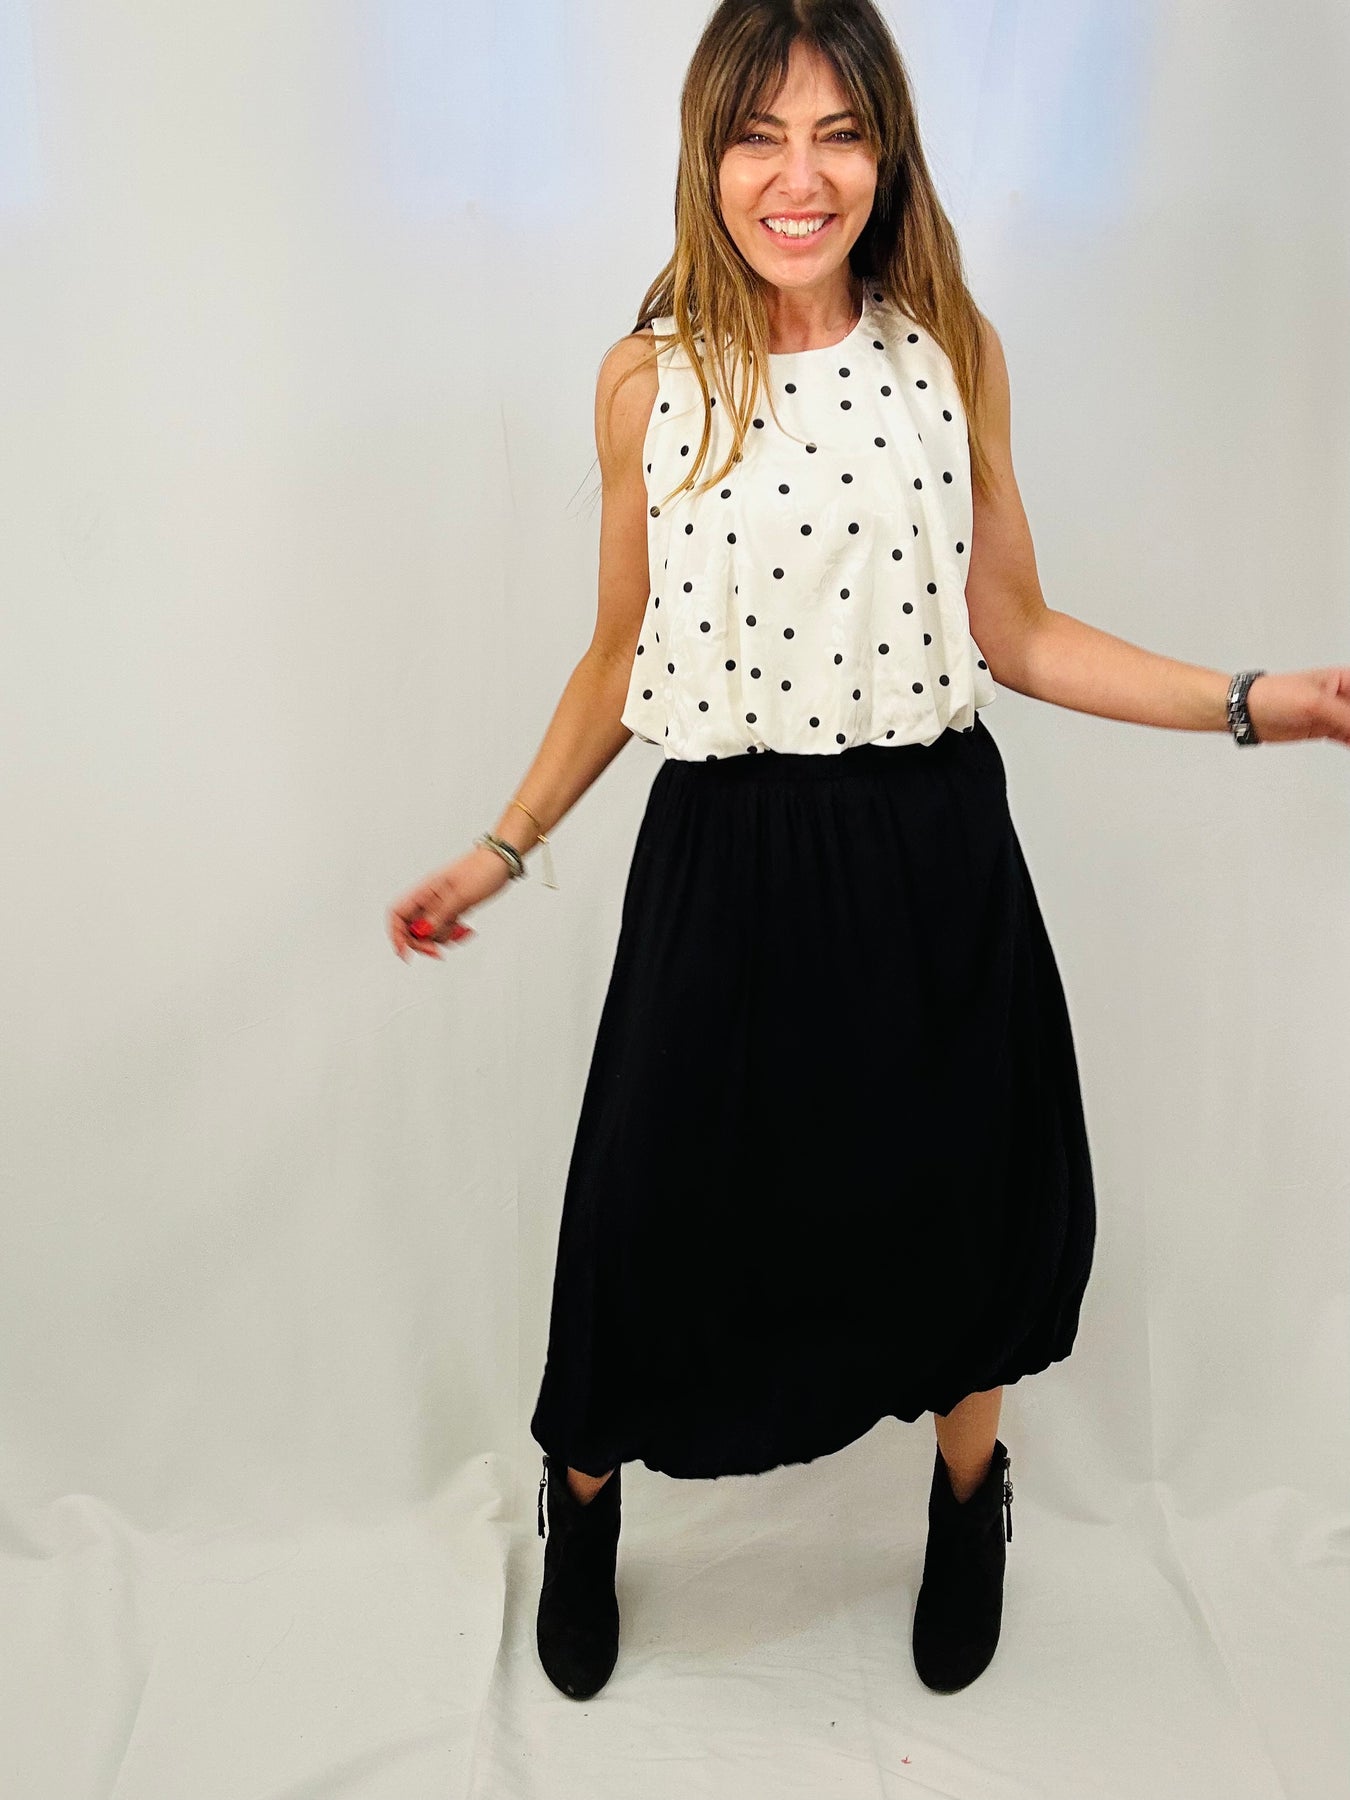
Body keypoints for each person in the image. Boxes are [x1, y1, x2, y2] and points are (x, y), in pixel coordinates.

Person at [387, 0, 1350, 1707]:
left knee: (957, 1204)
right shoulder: (647, 380)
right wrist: (500, 845)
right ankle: (583, 1496)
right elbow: (616, 655)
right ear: (705, 156)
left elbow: (1017, 630)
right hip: (724, 853)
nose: (799, 176)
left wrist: (1250, 700)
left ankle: (969, 1502)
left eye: (837, 133)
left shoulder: (945, 353)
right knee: (644, 1216)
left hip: (927, 847)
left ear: (886, 153)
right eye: (759, 136)